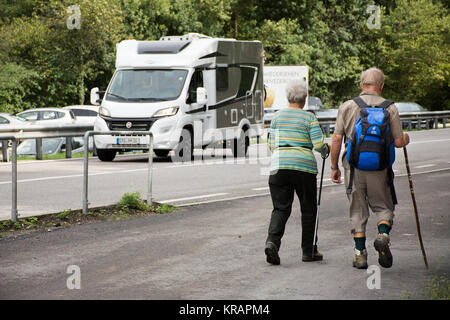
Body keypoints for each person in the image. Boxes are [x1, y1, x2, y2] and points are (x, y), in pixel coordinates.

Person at [330, 67, 410, 269]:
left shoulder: (347, 106)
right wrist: (406, 138)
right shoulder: (389, 108)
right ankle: (383, 235)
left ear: (361, 85)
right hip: (380, 168)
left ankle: (360, 254)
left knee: (357, 209)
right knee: (384, 206)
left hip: (353, 167)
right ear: (381, 86)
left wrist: (334, 167)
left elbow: (337, 138)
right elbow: (399, 142)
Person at [265, 80, 329, 265]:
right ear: (305, 99)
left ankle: (272, 243)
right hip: (304, 168)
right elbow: (318, 145)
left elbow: (271, 144)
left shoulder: (277, 117)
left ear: (287, 98)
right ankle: (308, 251)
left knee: (280, 208)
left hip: (279, 167)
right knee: (309, 209)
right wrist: (326, 151)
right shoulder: (309, 118)